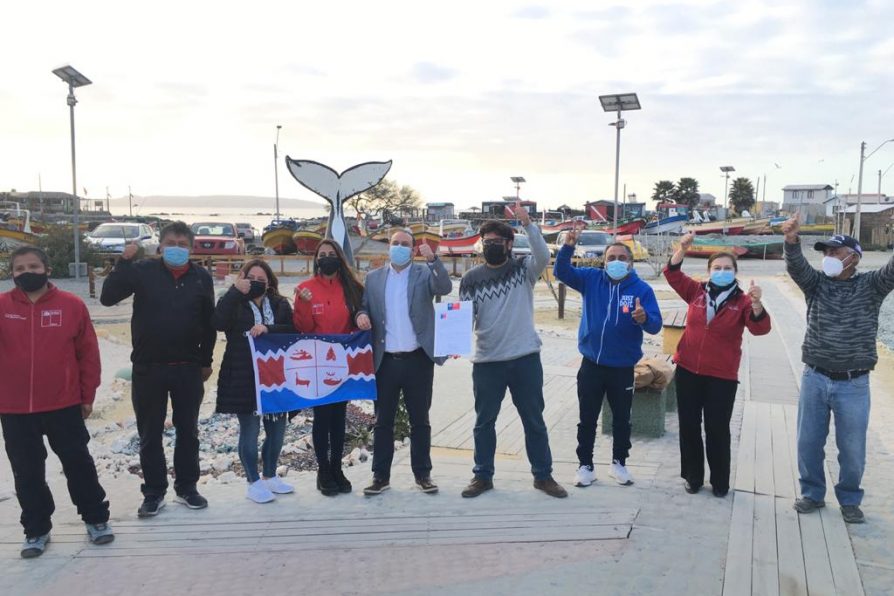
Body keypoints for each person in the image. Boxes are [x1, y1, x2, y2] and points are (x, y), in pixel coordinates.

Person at [0, 246, 113, 558]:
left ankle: (96, 519)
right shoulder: (1, 306)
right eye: (20, 268)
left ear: (47, 270)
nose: (27, 272)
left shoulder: (72, 305)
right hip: (14, 409)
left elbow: (88, 356)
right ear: (12, 273)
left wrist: (86, 396)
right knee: (27, 472)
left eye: (33, 266)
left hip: (63, 405)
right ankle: (36, 530)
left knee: (79, 465)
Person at [782, 214, 894, 524]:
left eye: (835, 252)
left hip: (853, 383)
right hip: (815, 376)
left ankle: (849, 498)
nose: (828, 258)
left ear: (854, 258)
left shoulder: (872, 285)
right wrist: (791, 240)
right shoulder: (816, 284)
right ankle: (812, 494)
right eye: (825, 253)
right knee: (808, 441)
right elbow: (797, 267)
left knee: (853, 447)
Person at [100, 221, 216, 517]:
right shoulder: (142, 271)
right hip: (148, 369)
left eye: (183, 244)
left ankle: (187, 487)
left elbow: (209, 323)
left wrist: (206, 361)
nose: (176, 248)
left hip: (188, 369)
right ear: (160, 246)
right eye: (171, 243)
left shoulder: (202, 277)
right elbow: (108, 297)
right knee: (149, 433)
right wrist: (123, 263)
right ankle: (153, 492)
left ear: (191, 248)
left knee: (188, 431)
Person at [459, 206, 567, 498]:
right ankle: (482, 476)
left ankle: (543, 476)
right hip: (487, 362)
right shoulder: (470, 279)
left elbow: (544, 256)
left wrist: (529, 224)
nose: (491, 246)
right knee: (484, 423)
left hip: (525, 359)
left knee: (534, 420)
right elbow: (462, 319)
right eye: (487, 242)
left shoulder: (524, 269)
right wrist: (450, 344)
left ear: (509, 244)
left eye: (497, 241)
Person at [664, 233, 771, 497]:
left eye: (727, 268)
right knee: (688, 425)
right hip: (688, 370)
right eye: (717, 268)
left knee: (717, 429)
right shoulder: (696, 291)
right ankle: (693, 476)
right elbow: (672, 274)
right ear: (708, 271)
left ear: (735, 272)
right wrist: (682, 249)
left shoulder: (744, 301)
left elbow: (761, 329)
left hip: (721, 376)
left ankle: (720, 482)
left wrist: (758, 305)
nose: (722, 272)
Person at [554, 232, 663, 489]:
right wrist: (568, 247)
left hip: (623, 368)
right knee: (587, 417)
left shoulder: (641, 290)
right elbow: (562, 272)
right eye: (611, 257)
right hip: (591, 364)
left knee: (622, 418)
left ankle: (619, 463)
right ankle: (585, 466)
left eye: (622, 258)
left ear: (631, 262)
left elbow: (656, 325)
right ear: (604, 261)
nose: (616, 261)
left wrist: (643, 317)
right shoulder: (591, 279)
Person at [355, 230, 452, 496]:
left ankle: (423, 474)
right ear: (389, 246)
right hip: (385, 361)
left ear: (412, 249)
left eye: (405, 244)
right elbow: (364, 306)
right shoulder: (374, 278)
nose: (399, 247)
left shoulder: (422, 274)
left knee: (420, 420)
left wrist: (433, 260)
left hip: (418, 359)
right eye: (395, 243)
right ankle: (380, 476)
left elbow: (444, 287)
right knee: (382, 421)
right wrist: (361, 316)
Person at [213, 259, 295, 504]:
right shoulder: (234, 302)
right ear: (243, 278)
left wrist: (269, 329)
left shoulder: (280, 304)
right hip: (243, 376)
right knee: (250, 431)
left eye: (262, 279)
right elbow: (217, 323)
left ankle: (270, 475)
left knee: (277, 430)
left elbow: (292, 330)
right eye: (252, 278)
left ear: (269, 282)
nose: (257, 283)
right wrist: (235, 291)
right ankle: (253, 481)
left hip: (275, 377)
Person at [293, 240, 366, 496]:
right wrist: (302, 303)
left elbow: (360, 316)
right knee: (322, 418)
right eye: (321, 255)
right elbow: (303, 327)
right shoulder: (305, 289)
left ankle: (337, 467)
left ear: (340, 258)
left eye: (331, 254)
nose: (326, 258)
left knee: (339, 419)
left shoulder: (352, 288)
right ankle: (322, 470)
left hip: (342, 363)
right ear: (316, 259)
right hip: (316, 365)